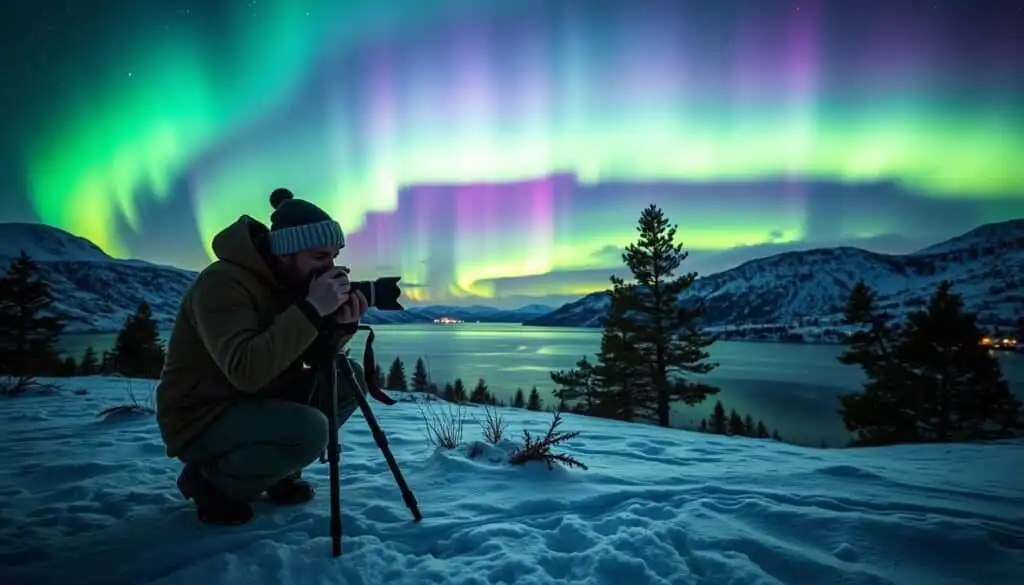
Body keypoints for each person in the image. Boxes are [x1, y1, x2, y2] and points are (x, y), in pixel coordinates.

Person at [156, 188, 374, 526]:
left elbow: (309, 356)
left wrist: (339, 327)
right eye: (319, 257)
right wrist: (312, 308)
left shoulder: (291, 284)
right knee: (311, 429)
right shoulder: (222, 283)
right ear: (285, 254)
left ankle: (276, 472)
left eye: (334, 256)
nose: (330, 267)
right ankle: (212, 484)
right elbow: (246, 370)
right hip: (202, 414)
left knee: (347, 378)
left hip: (257, 400)